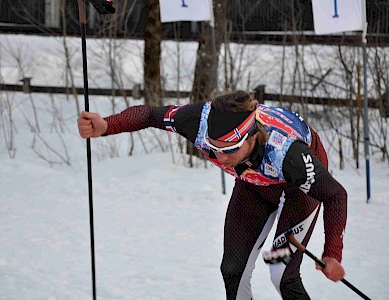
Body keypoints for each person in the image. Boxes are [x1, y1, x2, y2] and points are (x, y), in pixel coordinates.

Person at [77, 90, 347, 300]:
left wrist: (333, 253)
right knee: (232, 271)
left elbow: (336, 195)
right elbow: (149, 114)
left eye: (229, 150)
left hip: (296, 187)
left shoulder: (288, 154)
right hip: (252, 183)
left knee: (281, 274)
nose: (220, 157)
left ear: (252, 138)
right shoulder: (198, 121)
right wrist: (106, 125)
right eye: (213, 147)